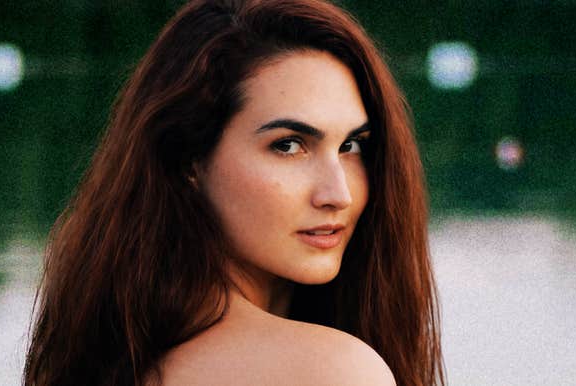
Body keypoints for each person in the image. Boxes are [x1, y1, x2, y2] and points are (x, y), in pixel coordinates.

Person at [24, 1, 444, 385]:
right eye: (288, 145)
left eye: (351, 146)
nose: (339, 194)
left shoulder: (108, 355)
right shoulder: (333, 371)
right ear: (189, 158)